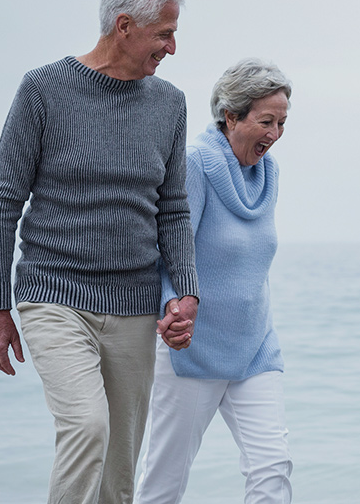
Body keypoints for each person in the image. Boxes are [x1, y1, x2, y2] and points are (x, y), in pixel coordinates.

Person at [0, 0, 198, 504]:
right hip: (54, 293)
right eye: (164, 33)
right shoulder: (44, 90)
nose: (173, 46)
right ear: (124, 26)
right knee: (86, 428)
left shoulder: (169, 104)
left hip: (134, 303)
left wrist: (186, 292)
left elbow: (172, 208)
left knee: (120, 468)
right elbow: (5, 198)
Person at [135, 59, 295, 503]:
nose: (275, 134)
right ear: (231, 116)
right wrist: (173, 307)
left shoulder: (269, 173)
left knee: (273, 466)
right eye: (266, 121)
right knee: (165, 481)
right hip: (192, 347)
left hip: (255, 345)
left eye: (282, 122)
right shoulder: (195, 165)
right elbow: (169, 250)